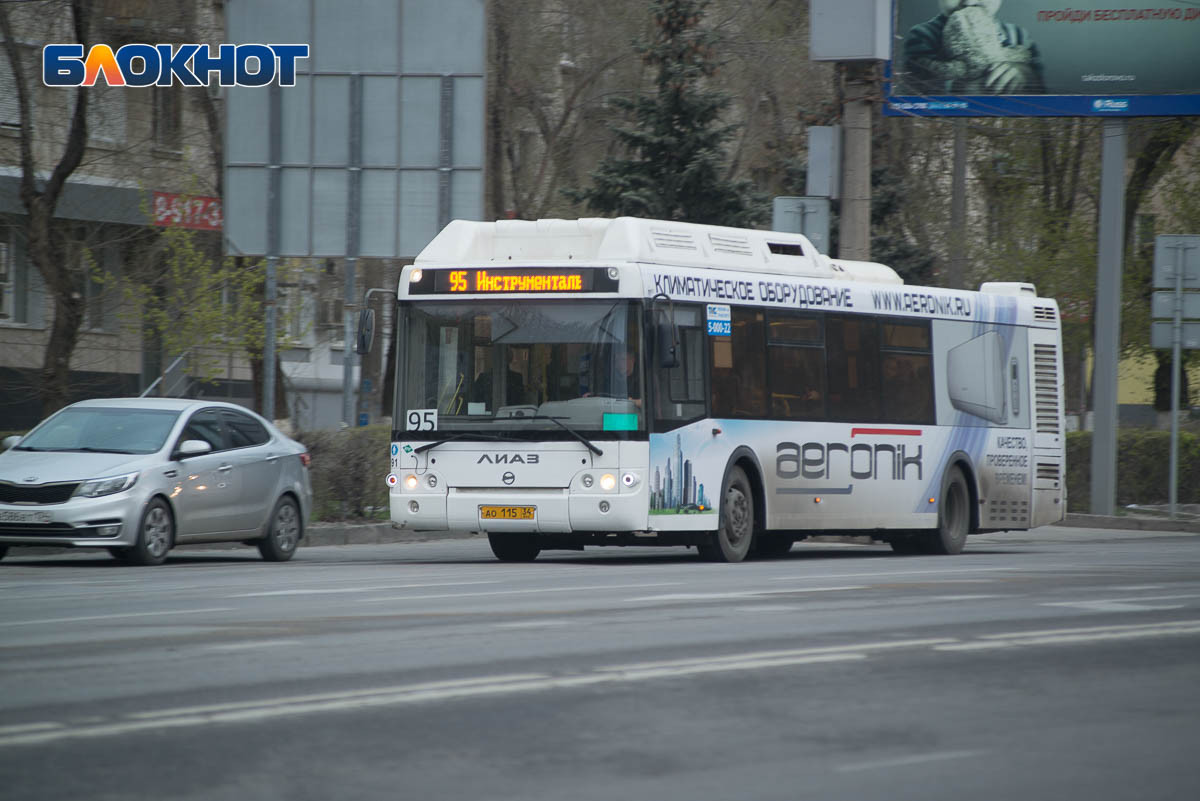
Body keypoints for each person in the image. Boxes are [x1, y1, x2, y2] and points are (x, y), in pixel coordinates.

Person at [902, 0, 1044, 95]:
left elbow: (1041, 88)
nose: (969, 2)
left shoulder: (1018, 35)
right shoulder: (922, 35)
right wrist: (966, 84)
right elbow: (916, 86)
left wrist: (1026, 74)